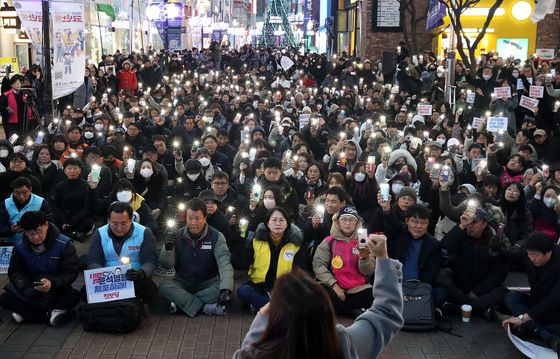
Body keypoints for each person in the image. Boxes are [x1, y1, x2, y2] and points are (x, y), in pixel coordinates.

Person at [234, 234, 404, 359]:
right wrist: (382, 257)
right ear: (326, 311)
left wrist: (261, 320)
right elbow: (386, 313)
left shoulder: (259, 353)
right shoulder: (346, 345)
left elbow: (246, 352)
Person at [0, 211, 80, 325]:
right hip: (31, 289)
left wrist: (52, 283)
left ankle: (27, 313)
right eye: (30, 233)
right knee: (5, 299)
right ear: (25, 232)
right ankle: (47, 314)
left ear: (46, 225)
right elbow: (15, 272)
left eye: (38, 231)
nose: (36, 237)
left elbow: (71, 272)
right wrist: (26, 288)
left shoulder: (64, 244)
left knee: (73, 296)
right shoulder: (19, 247)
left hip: (55, 289)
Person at [158, 199, 234, 317]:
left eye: (197, 218)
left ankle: (181, 303)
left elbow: (224, 263)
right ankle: (205, 307)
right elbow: (166, 265)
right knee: (164, 287)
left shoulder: (216, 236)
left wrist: (226, 289)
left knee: (221, 289)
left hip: (208, 283)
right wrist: (167, 248)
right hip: (182, 282)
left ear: (205, 218)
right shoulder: (176, 235)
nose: (193, 223)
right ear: (185, 218)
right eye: (190, 218)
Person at [438, 207, 509, 318]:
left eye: (474, 222)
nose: (469, 225)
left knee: (502, 291)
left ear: (484, 224)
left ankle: (460, 307)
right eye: (467, 221)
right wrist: (460, 226)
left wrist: (476, 293)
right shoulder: (459, 233)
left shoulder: (493, 241)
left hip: (481, 288)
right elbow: (443, 249)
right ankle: (476, 307)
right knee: (441, 276)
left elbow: (498, 273)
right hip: (458, 287)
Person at [85, 202, 158, 303]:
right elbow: (93, 260)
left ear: (131, 220)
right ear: (108, 220)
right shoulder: (100, 233)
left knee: (150, 289)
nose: (119, 228)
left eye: (124, 224)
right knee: (85, 291)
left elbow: (150, 261)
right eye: (114, 223)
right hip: (107, 281)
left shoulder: (144, 232)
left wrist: (141, 272)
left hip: (133, 279)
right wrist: (101, 275)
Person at [236, 207, 305, 312]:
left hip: (284, 286)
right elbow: (242, 264)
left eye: (282, 220)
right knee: (243, 291)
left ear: (287, 224)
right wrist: (240, 240)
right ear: (267, 223)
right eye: (274, 220)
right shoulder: (256, 240)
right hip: (259, 284)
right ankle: (278, 309)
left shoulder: (295, 243)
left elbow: (300, 268)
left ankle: (263, 307)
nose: (278, 223)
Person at [313, 206, 376, 316]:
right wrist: (334, 285)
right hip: (333, 288)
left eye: (351, 220)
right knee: (319, 291)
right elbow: (318, 265)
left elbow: (368, 272)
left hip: (357, 289)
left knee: (373, 293)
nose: (347, 223)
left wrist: (364, 258)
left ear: (357, 223)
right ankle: (352, 310)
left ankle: (338, 310)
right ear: (338, 222)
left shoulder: (364, 241)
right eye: (344, 219)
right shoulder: (329, 241)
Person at [502, 232, 560, 351]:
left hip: (555, 309)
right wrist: (495, 249)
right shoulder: (529, 254)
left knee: (526, 324)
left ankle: (532, 328)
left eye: (536, 256)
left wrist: (522, 318)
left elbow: (553, 300)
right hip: (535, 303)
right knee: (510, 297)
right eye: (529, 254)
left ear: (549, 252)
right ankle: (546, 335)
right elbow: (511, 257)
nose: (532, 258)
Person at [0, 177, 53, 244]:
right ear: (13, 191)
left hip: (36, 241)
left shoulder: (41, 202)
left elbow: (49, 223)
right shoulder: (5, 204)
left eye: (24, 192)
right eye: (17, 193)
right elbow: (1, 226)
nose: (21, 196)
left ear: (30, 189)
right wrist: (11, 230)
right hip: (11, 242)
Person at [0, 75, 33, 139]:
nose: (18, 85)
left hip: (23, 121)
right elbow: (1, 106)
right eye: (15, 83)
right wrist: (6, 109)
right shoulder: (6, 95)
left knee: (24, 138)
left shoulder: (24, 94)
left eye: (19, 83)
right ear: (11, 85)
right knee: (13, 140)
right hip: (11, 123)